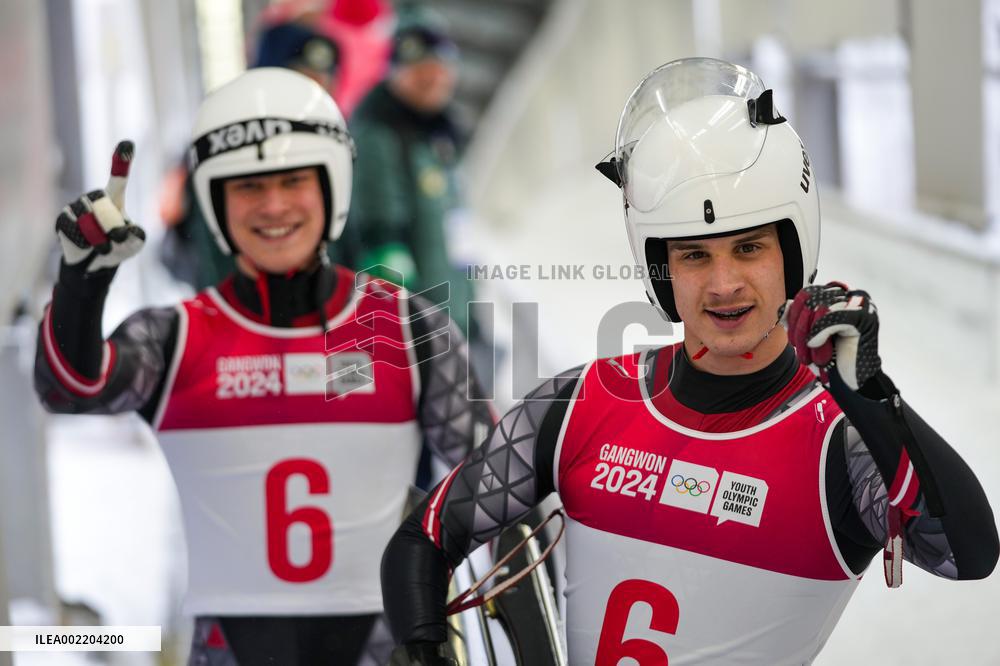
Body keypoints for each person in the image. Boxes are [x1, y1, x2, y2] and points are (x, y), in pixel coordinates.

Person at [379, 58, 999, 665]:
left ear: (792, 250)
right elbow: (424, 538)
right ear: (660, 272)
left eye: (749, 247)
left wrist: (871, 396)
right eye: (693, 256)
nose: (723, 283)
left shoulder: (841, 441)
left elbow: (967, 554)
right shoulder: (580, 404)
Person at [35, 67, 492, 665]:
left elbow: (497, 493)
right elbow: (72, 389)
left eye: (293, 180)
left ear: (331, 187)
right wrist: (81, 284)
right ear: (216, 202)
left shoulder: (408, 329)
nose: (273, 206)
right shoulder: (174, 338)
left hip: (388, 644)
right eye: (247, 186)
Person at [160, 20, 351, 291]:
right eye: (300, 79)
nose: (314, 95)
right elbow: (215, 260)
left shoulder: (335, 141)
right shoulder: (224, 142)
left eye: (324, 82)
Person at [347, 10, 476, 337]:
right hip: (421, 330)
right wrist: (403, 335)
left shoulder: (438, 132)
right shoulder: (380, 134)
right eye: (420, 70)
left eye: (439, 68)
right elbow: (382, 239)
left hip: (452, 311)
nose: (433, 78)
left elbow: (454, 228)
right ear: (395, 75)